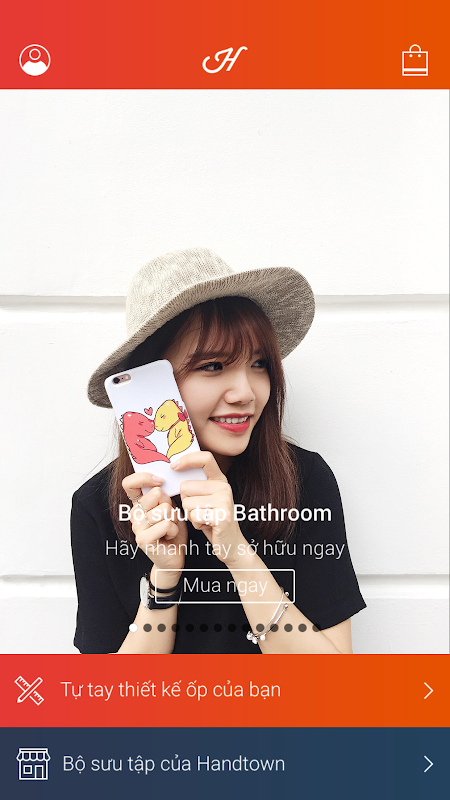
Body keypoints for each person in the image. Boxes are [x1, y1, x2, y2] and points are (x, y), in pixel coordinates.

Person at [71, 247, 366, 654]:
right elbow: (116, 694)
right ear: (149, 383)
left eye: (259, 364)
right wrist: (164, 578)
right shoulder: (99, 506)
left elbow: (334, 684)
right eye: (213, 366)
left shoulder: (303, 481)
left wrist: (237, 552)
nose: (246, 393)